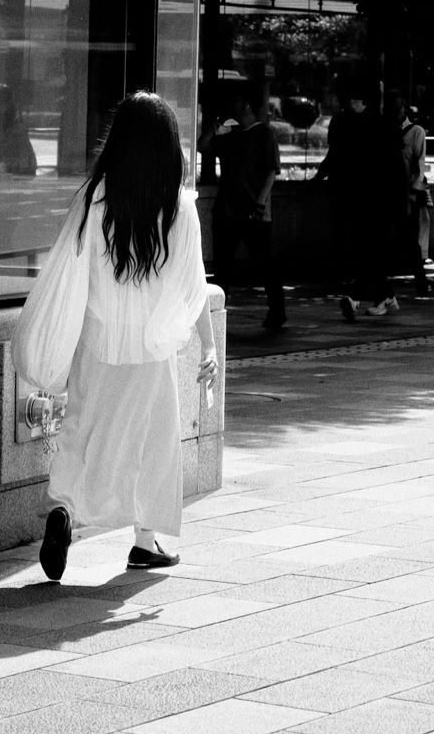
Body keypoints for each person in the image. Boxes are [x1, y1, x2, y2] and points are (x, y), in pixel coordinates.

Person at [21, 92, 218, 578]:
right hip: (152, 351)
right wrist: (209, 346)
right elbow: (193, 287)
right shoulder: (179, 207)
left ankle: (63, 509)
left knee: (82, 429)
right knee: (152, 442)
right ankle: (145, 542)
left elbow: (68, 273)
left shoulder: (95, 200)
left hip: (97, 343)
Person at [315, 81, 395, 316]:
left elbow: (337, 154)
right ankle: (381, 294)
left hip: (366, 198)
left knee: (365, 249)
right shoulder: (368, 124)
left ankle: (360, 296)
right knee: (367, 249)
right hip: (364, 197)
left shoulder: (362, 124)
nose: (351, 105)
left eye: (355, 101)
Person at [213, 91, 286, 330]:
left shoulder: (264, 134)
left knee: (265, 264)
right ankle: (216, 313)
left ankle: (277, 311)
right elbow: (205, 145)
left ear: (246, 106)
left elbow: (271, 171)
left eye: (235, 103)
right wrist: (218, 126)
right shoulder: (231, 135)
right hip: (228, 209)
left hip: (253, 211)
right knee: (223, 265)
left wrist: (260, 202)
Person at [386, 90, 431, 298]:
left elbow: (419, 165)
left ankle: (420, 279)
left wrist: (413, 191)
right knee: (399, 237)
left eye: (398, 108)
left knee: (408, 237)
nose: (395, 112)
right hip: (392, 191)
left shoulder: (416, 132)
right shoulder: (386, 130)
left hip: (406, 193)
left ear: (404, 108)